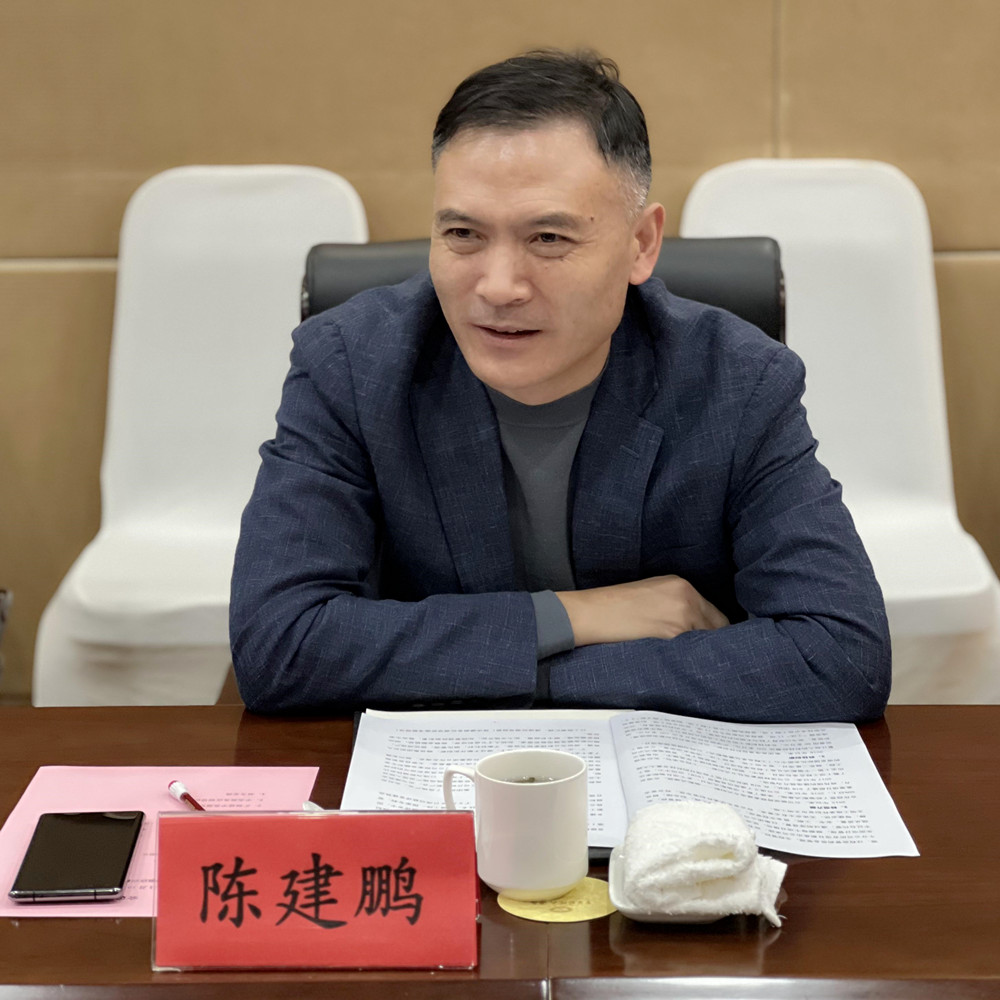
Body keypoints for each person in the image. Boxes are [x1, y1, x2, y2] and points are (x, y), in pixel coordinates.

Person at [230, 50, 890, 722]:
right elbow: (279, 644)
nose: (498, 287)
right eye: (462, 234)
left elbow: (841, 656)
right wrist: (577, 617)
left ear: (641, 244)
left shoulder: (737, 382)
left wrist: (530, 674)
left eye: (547, 238)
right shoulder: (351, 364)